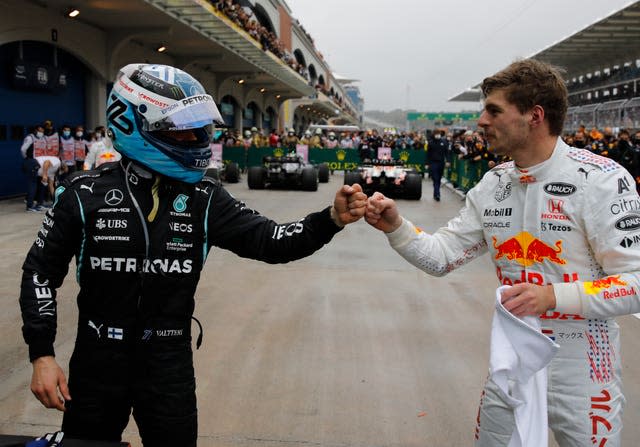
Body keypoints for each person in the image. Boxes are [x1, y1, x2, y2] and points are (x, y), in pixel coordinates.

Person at [19, 63, 367, 447]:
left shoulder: (205, 196)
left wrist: (331, 218)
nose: (197, 137)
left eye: (200, 127)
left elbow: (272, 240)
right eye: (182, 128)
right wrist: (42, 355)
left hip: (168, 363)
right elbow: (39, 273)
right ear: (135, 124)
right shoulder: (82, 192)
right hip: (97, 360)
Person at [364, 59, 640, 446]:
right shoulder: (493, 184)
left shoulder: (602, 180)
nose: (481, 121)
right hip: (512, 365)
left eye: (494, 110)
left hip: (583, 370)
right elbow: (442, 257)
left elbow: (636, 283)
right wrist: (396, 227)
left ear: (534, 116)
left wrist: (551, 296)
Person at [426, 128, 449, 201]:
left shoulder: (444, 142)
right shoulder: (431, 142)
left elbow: (447, 152)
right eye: (436, 134)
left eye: (438, 134)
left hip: (441, 162)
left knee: (438, 179)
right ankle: (437, 194)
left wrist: (448, 161)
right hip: (433, 163)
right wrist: (427, 163)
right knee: (435, 178)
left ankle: (435, 193)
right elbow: (428, 154)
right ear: (434, 134)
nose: (437, 135)